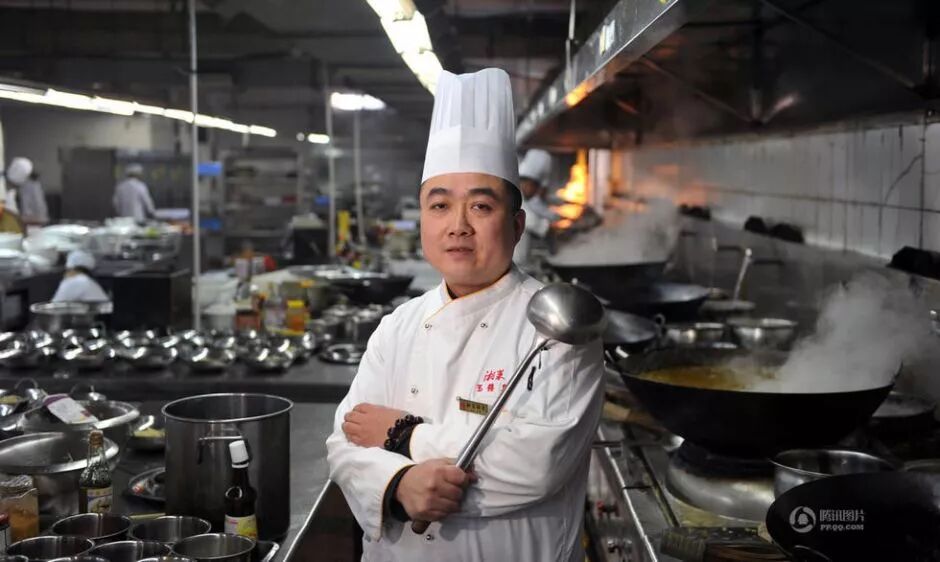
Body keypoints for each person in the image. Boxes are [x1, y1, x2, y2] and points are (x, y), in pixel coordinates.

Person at [326, 68, 604, 562]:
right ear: (421, 219)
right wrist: (398, 485)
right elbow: (345, 441)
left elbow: (535, 464)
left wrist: (404, 435)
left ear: (517, 225)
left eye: (480, 206)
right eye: (439, 206)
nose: (458, 226)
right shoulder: (398, 326)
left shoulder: (558, 326)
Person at [514, 149, 562, 265]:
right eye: (536, 188)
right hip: (512, 265)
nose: (536, 193)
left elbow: (537, 207)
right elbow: (531, 220)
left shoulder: (521, 196)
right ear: (528, 182)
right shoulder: (513, 197)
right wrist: (548, 229)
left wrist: (554, 218)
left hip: (517, 265)